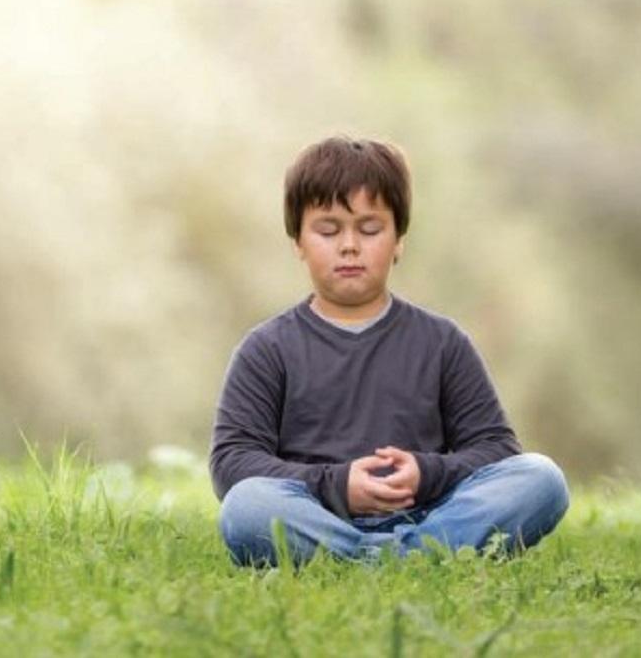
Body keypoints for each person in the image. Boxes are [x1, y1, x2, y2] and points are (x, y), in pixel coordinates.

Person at [208, 136, 569, 567]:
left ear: (398, 239)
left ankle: (378, 558)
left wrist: (426, 472)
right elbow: (233, 461)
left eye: (369, 229)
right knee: (247, 507)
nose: (348, 246)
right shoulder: (266, 349)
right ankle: (416, 560)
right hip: (317, 515)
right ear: (298, 242)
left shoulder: (442, 342)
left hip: (430, 515)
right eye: (327, 229)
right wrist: (337, 485)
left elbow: (494, 449)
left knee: (540, 479)